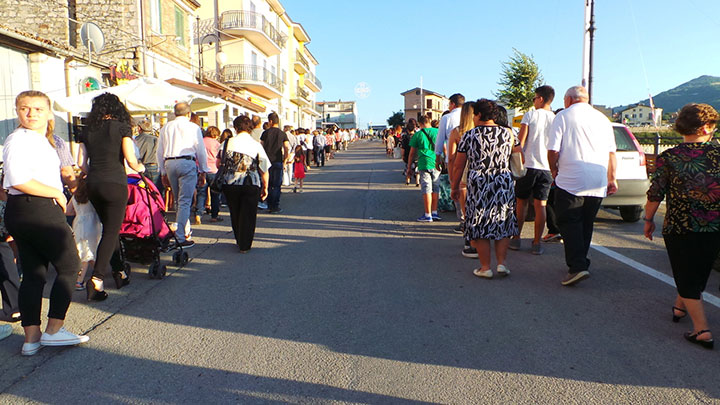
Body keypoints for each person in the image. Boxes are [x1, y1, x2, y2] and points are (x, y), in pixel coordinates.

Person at [4, 90, 89, 355]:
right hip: (37, 209)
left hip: (27, 210)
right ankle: (53, 330)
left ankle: (32, 339)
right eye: (25, 108)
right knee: (70, 265)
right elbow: (17, 180)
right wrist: (55, 193)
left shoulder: (41, 140)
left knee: (34, 273)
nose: (32, 113)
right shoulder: (19, 139)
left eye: (38, 109)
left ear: (49, 113)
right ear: (17, 111)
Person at [644, 103, 720, 350]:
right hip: (715, 225)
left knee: (687, 271)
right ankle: (679, 307)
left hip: (680, 224)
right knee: (696, 269)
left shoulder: (669, 157)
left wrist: (647, 221)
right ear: (707, 127)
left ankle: (702, 330)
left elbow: (656, 194)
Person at [547, 86, 617, 286]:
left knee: (568, 221)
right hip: (598, 179)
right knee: (586, 222)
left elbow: (553, 149)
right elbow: (611, 153)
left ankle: (577, 266)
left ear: (568, 99)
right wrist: (612, 178)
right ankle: (582, 262)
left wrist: (553, 169)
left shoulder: (563, 116)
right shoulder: (603, 119)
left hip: (571, 178)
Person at [78, 93, 145, 300]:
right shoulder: (121, 128)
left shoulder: (86, 130)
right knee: (111, 230)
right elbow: (130, 159)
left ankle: (119, 272)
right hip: (115, 183)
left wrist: (92, 172)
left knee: (109, 228)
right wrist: (141, 168)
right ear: (117, 108)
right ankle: (96, 279)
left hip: (94, 184)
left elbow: (82, 163)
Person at [450, 99, 517, 279]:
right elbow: (520, 156)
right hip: (503, 181)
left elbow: (458, 165)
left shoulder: (470, 136)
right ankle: (502, 264)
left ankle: (485, 267)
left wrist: (455, 186)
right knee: (502, 220)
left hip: (479, 182)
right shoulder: (508, 133)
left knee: (479, 223)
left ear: (478, 115)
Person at [509, 85, 556, 255]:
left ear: (541, 99)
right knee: (541, 205)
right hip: (546, 168)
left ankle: (516, 238)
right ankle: (537, 242)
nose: (533, 101)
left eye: (534, 98)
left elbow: (520, 140)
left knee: (521, 202)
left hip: (529, 165)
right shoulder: (555, 118)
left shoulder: (530, 115)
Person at [157, 102, 209, 248]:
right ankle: (180, 237)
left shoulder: (166, 127)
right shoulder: (193, 127)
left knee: (178, 200)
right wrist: (203, 170)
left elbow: (159, 150)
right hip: (187, 162)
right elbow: (200, 149)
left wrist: (162, 170)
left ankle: (185, 231)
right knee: (185, 201)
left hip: (169, 163)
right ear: (188, 114)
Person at [220, 115, 270, 253]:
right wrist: (265, 186)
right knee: (248, 214)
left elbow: (219, 163)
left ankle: (238, 238)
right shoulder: (256, 145)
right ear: (250, 128)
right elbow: (264, 168)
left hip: (229, 183)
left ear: (235, 128)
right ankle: (245, 244)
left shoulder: (226, 143)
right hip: (251, 183)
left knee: (235, 212)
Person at [447, 101, 477, 258]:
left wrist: (453, 179)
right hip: (478, 171)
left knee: (466, 211)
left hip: (462, 171)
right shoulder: (479, 132)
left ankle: (469, 240)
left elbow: (451, 158)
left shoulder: (457, 132)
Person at [66, 174, 101, 291]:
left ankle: (97, 272)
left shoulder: (75, 196)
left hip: (79, 222)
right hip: (92, 223)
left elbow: (68, 211)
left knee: (82, 248)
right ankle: (80, 280)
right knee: (89, 250)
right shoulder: (93, 196)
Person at [408, 115, 441, 222]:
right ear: (429, 122)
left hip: (423, 163)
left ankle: (428, 214)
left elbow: (412, 153)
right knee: (436, 188)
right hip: (436, 162)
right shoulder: (438, 132)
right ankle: (435, 212)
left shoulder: (418, 134)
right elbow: (444, 148)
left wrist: (409, 167)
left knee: (426, 188)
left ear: (420, 123)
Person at [260, 112, 290, 214]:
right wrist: (285, 160)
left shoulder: (265, 133)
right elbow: (286, 148)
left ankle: (268, 204)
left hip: (266, 162)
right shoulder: (282, 134)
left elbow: (261, 147)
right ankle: (275, 206)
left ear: (270, 121)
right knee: (277, 185)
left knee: (267, 183)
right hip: (277, 161)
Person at [195, 126, 223, 223]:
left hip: (201, 170)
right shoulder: (217, 144)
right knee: (215, 194)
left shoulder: (200, 141)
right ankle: (214, 215)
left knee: (201, 193)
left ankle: (198, 214)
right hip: (214, 170)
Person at [435, 94, 465, 171]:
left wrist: (437, 158)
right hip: (467, 157)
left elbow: (440, 140)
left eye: (449, 104)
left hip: (452, 155)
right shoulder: (468, 117)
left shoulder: (446, 118)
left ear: (453, 104)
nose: (448, 107)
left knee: (453, 181)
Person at [134, 119, 161, 194]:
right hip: (154, 167)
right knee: (156, 191)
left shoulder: (136, 140)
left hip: (139, 167)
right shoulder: (156, 139)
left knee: (142, 191)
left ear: (139, 128)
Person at [402, 119, 419, 185]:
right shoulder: (417, 136)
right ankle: (417, 182)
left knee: (408, 167)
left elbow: (403, 148)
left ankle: (408, 180)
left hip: (407, 155)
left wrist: (403, 155)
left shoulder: (405, 137)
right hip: (416, 155)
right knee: (417, 169)